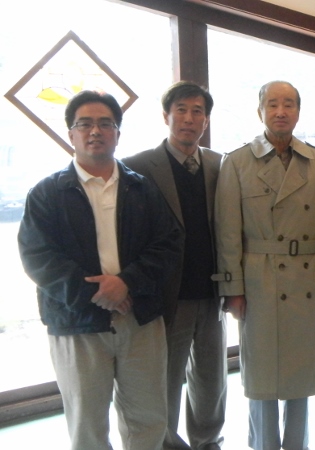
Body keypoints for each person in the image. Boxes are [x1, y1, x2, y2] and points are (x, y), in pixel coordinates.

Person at [17, 90, 182, 450]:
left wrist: (127, 284)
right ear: (71, 133)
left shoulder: (142, 187)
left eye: (105, 124)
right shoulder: (47, 193)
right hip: (77, 323)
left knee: (148, 418)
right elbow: (38, 257)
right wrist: (98, 293)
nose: (95, 131)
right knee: (87, 424)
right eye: (85, 124)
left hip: (139, 318)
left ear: (117, 134)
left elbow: (169, 244)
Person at [214, 81, 315, 450]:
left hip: (308, 276)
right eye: (272, 104)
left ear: (298, 111)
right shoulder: (237, 161)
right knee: (262, 371)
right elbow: (227, 232)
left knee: (302, 370)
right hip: (259, 278)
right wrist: (232, 289)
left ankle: (297, 443)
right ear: (260, 112)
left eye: (288, 104)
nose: (280, 112)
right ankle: (264, 444)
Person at [123, 81, 226, 450]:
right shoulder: (137, 167)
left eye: (197, 111)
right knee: (164, 378)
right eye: (181, 110)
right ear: (165, 116)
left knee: (212, 379)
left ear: (206, 120)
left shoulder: (219, 164)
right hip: (167, 295)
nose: (189, 118)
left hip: (213, 291)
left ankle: (208, 441)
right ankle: (166, 443)